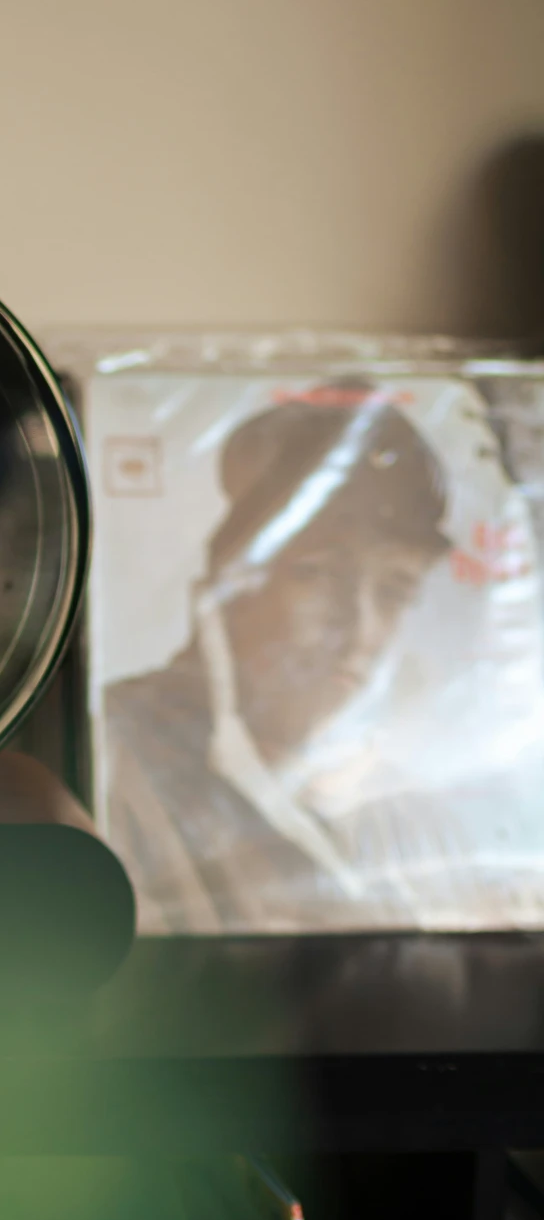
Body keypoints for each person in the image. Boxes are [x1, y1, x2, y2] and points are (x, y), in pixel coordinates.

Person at [104, 387, 452, 932]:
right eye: (316, 574)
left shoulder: (411, 812)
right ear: (229, 586)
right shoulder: (112, 757)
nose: (358, 631)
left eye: (393, 591)